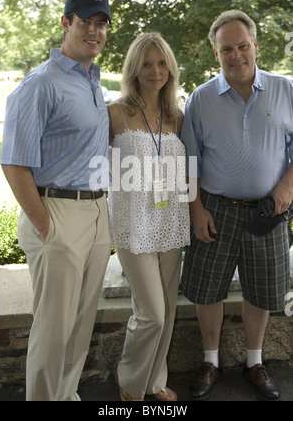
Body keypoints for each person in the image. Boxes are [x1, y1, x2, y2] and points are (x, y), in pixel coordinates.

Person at [0, 0, 112, 401]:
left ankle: (66, 395)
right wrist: (47, 227)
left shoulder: (92, 81)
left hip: (96, 212)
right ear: (66, 23)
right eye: (86, 21)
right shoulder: (41, 84)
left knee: (80, 325)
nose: (94, 31)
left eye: (101, 24)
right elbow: (13, 162)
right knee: (53, 329)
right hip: (57, 212)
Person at [181, 10, 293, 401]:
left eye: (242, 45)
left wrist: (287, 185)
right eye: (226, 48)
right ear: (216, 54)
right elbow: (189, 161)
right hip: (215, 208)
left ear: (255, 46)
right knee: (208, 290)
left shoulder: (286, 89)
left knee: (260, 291)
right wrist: (196, 208)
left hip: (269, 211)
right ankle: (210, 361)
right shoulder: (201, 98)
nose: (236, 55)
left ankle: (254, 362)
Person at [108, 32, 190, 401]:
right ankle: (129, 378)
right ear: (134, 68)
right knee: (151, 313)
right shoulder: (115, 113)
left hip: (170, 221)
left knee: (167, 311)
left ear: (170, 68)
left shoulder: (177, 117)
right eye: (146, 63)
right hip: (133, 223)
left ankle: (154, 381)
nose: (155, 71)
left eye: (161, 63)